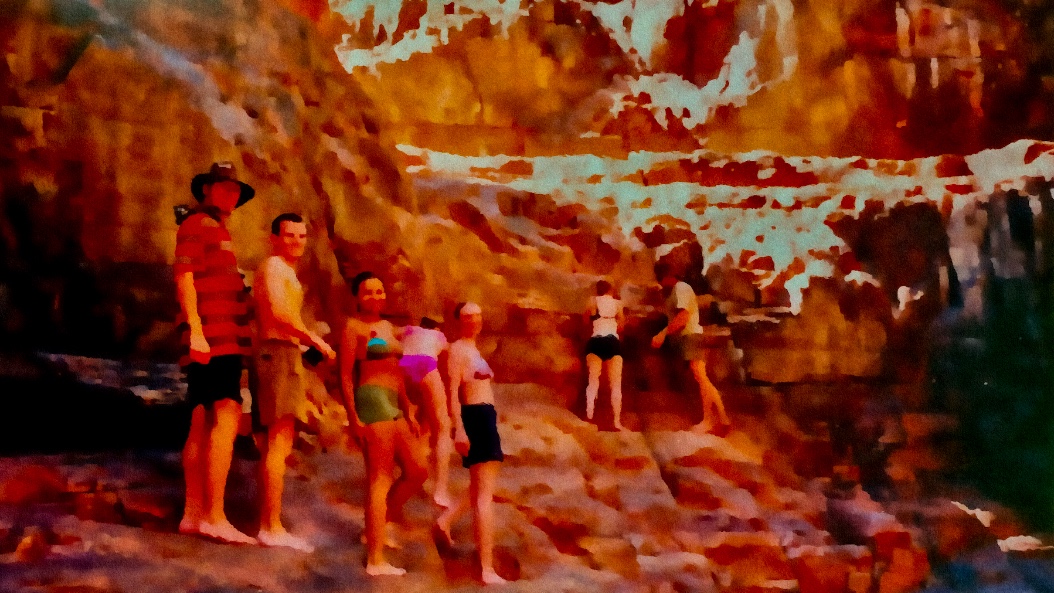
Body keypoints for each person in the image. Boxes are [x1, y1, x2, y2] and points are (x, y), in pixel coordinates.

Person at [174, 162, 256, 544]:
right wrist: (196, 330)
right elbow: (184, 276)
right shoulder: (198, 225)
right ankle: (214, 515)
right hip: (214, 337)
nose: (230, 194)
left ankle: (193, 514)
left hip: (215, 336)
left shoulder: (214, 228)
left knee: (201, 420)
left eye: (234, 189)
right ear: (206, 190)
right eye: (223, 187)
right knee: (226, 412)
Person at [252, 213, 335, 551]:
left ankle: (270, 523)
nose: (297, 242)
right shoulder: (274, 267)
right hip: (278, 354)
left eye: (302, 236)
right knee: (279, 441)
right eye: (289, 236)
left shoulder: (282, 269)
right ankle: (270, 526)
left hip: (282, 353)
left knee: (277, 441)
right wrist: (315, 341)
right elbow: (278, 314)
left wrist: (304, 349)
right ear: (274, 238)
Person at [340, 272, 427, 576]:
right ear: (357, 296)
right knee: (380, 478)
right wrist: (353, 418)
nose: (375, 297)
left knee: (418, 470)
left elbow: (397, 370)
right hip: (371, 399)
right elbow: (345, 375)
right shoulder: (353, 327)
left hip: (393, 401)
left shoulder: (388, 327)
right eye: (368, 292)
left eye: (379, 291)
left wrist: (408, 408)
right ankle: (375, 559)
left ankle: (376, 527)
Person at [436, 302, 507, 586]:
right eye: (468, 317)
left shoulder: (473, 349)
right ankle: (486, 568)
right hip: (475, 417)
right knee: (484, 495)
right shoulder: (457, 350)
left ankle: (445, 520)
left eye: (477, 316)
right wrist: (459, 430)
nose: (474, 321)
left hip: (484, 415)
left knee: (480, 485)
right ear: (459, 321)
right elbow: (453, 391)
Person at [650, 262, 730, 433]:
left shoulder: (681, 288)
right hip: (690, 336)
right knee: (701, 377)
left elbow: (683, 316)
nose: (661, 283)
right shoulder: (677, 290)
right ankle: (721, 418)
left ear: (669, 277)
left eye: (661, 279)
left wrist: (662, 333)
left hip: (691, 336)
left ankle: (712, 419)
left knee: (701, 376)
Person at [399, 317, 453, 507]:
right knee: (443, 426)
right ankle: (440, 490)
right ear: (437, 327)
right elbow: (450, 358)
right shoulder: (439, 336)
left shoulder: (407, 330)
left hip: (404, 367)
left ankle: (414, 473)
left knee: (416, 420)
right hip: (426, 366)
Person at [583, 280, 626, 430]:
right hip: (612, 341)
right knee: (616, 384)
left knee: (593, 381)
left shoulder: (592, 301)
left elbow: (585, 320)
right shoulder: (618, 304)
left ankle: (589, 416)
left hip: (596, 341)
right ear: (610, 290)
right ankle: (616, 422)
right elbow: (621, 325)